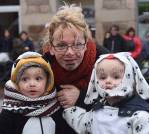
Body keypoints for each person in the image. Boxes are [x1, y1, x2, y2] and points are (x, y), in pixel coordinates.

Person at [42, 4, 108, 134]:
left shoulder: (105, 61)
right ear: (51, 47)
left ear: (86, 44)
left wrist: (81, 97)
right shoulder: (40, 66)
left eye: (77, 44)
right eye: (61, 45)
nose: (70, 53)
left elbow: (130, 103)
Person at [63, 52, 149, 134]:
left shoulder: (141, 117)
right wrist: (68, 109)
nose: (108, 81)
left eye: (116, 77)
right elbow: (81, 121)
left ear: (130, 78)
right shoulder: (96, 112)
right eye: (102, 77)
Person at [0, 52, 60, 134]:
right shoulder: (10, 112)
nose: (32, 84)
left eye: (38, 78)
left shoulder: (55, 108)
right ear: (16, 83)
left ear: (48, 81)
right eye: (25, 79)